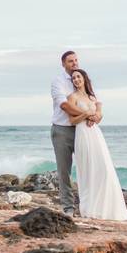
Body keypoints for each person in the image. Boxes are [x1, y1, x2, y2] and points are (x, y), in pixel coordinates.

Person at [65, 68, 127, 220]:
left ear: (84, 78)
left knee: (104, 169)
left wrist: (95, 117)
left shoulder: (92, 97)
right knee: (88, 171)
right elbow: (72, 121)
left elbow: (99, 116)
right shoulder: (72, 97)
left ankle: (107, 208)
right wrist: (85, 114)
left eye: (78, 77)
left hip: (96, 135)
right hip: (82, 134)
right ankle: (90, 207)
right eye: (73, 78)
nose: (76, 80)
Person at [51, 50, 98, 215]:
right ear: (63, 64)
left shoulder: (81, 79)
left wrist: (95, 116)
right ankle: (68, 207)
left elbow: (95, 105)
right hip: (62, 130)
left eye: (76, 60)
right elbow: (64, 105)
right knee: (64, 171)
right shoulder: (58, 81)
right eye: (70, 61)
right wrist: (86, 115)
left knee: (88, 167)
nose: (75, 63)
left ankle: (90, 204)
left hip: (83, 131)